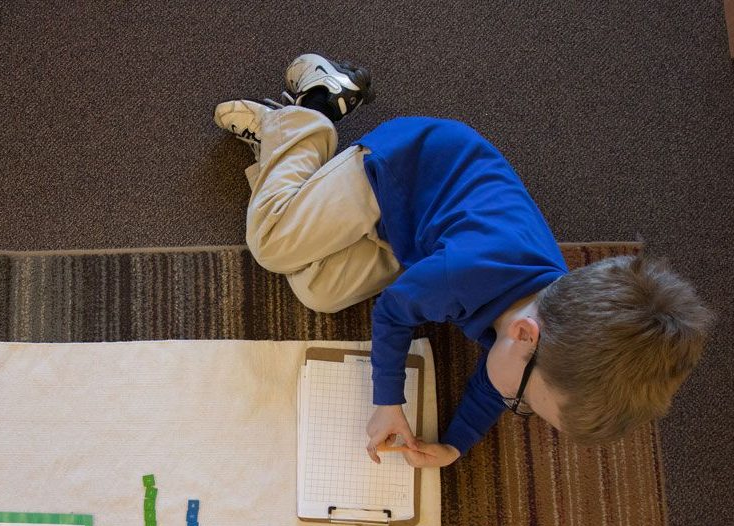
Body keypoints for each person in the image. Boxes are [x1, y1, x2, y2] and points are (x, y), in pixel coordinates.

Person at [214, 53, 713, 467]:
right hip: (399, 170)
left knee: (316, 292)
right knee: (273, 246)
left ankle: (291, 180)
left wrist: (455, 444)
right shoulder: (466, 276)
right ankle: (307, 114)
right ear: (524, 334)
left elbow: (496, 383)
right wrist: (388, 400)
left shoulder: (539, 323)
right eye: (524, 403)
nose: (512, 405)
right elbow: (392, 312)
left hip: (420, 241)